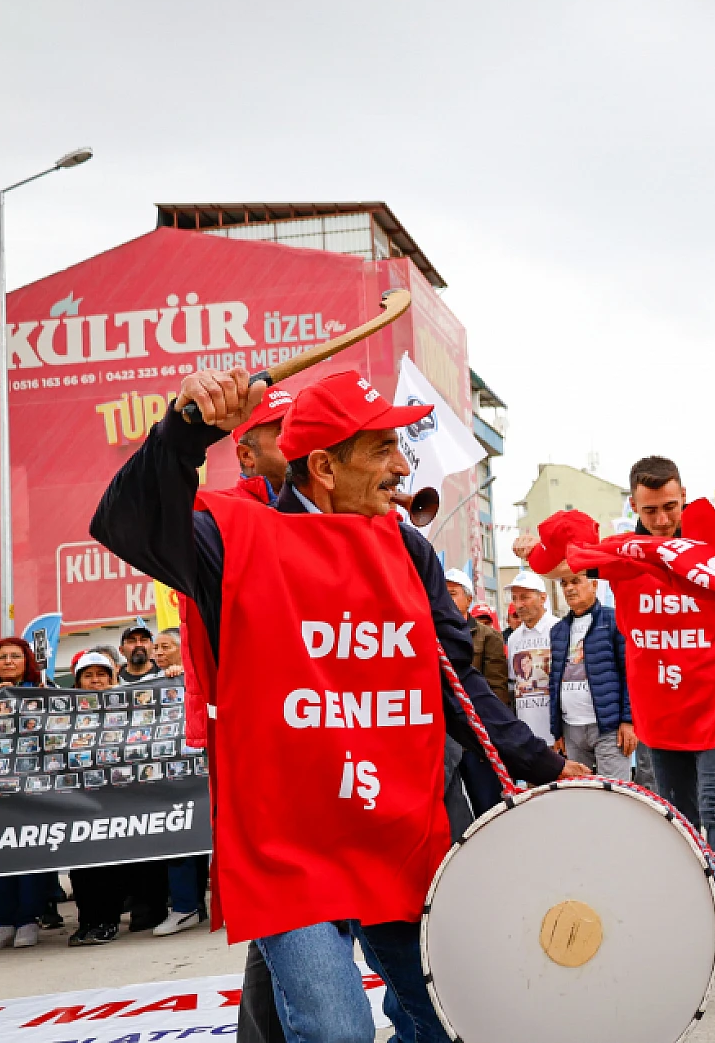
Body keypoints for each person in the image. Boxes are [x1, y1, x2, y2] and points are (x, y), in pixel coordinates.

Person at [91, 365, 584, 1043]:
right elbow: (124, 522)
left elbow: (455, 680)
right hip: (287, 843)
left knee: (451, 1017)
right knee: (336, 1028)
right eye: (382, 448)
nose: (401, 465)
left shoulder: (409, 551)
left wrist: (544, 765)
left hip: (392, 828)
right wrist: (184, 432)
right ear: (323, 465)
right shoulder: (235, 539)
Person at [517, 455, 715, 878]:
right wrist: (532, 553)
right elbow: (561, 565)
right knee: (679, 816)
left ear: (684, 497)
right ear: (634, 507)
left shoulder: (713, 547)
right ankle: (695, 913)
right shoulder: (622, 555)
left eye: (670, 506)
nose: (661, 519)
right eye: (650, 509)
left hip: (714, 701)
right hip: (658, 708)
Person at [0, 637, 53, 952]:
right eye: (2, 657)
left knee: (30, 856)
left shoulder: (43, 694)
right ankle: (4, 922)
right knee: (0, 857)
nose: (8, 662)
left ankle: (28, 921)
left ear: (26, 662)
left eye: (15, 657)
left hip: (34, 793)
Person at [67, 651, 131, 947]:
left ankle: (107, 921)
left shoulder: (127, 703)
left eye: (101, 675)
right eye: (88, 676)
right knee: (80, 866)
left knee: (109, 865)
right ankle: (86, 921)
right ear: (78, 681)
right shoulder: (65, 710)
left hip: (113, 799)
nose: (96, 681)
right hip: (77, 800)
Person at [548, 571, 634, 779]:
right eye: (564, 583)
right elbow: (554, 681)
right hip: (571, 729)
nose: (569, 588)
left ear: (594, 585)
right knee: (581, 796)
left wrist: (628, 720)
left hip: (608, 728)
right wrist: (557, 730)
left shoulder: (614, 621)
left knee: (616, 794)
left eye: (576, 581)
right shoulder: (558, 630)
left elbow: (630, 673)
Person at [505, 570, 558, 745]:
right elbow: (514, 682)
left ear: (543, 598)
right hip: (527, 736)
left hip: (557, 734)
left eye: (525, 597)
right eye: (515, 598)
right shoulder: (513, 638)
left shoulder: (558, 629)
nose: (519, 604)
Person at [445, 568, 510, 706]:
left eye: (452, 594)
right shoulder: (432, 633)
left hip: (475, 714)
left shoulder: (488, 636)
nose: (446, 599)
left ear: (469, 600)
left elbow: (497, 687)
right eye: (442, 594)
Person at [117, 621, 160, 685]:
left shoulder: (164, 674)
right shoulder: (115, 680)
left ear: (152, 647)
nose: (138, 645)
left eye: (144, 640)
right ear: (122, 650)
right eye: (131, 641)